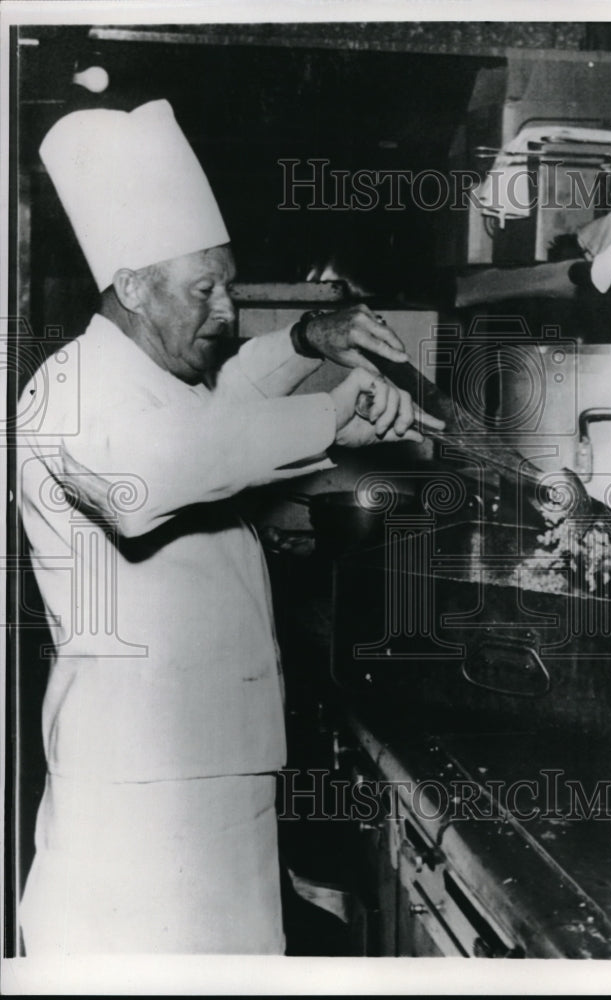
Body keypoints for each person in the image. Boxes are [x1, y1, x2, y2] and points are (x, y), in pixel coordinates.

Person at [16, 98, 442, 955]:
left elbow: (220, 408)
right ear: (131, 286)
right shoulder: (70, 391)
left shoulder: (155, 378)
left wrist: (308, 339)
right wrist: (330, 422)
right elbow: (146, 476)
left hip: (210, 761)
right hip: (143, 787)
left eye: (229, 287)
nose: (223, 311)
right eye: (202, 290)